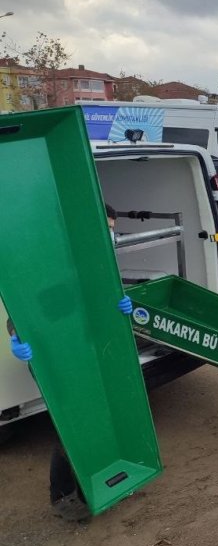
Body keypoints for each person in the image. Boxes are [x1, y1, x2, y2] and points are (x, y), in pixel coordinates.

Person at [6, 204, 133, 521]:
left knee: (97, 416)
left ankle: (98, 480)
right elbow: (20, 310)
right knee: (71, 424)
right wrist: (16, 337)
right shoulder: (48, 261)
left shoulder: (96, 261)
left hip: (85, 350)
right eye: (105, 227)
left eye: (113, 228)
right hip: (53, 357)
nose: (110, 234)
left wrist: (119, 309)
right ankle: (62, 496)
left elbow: (96, 304)